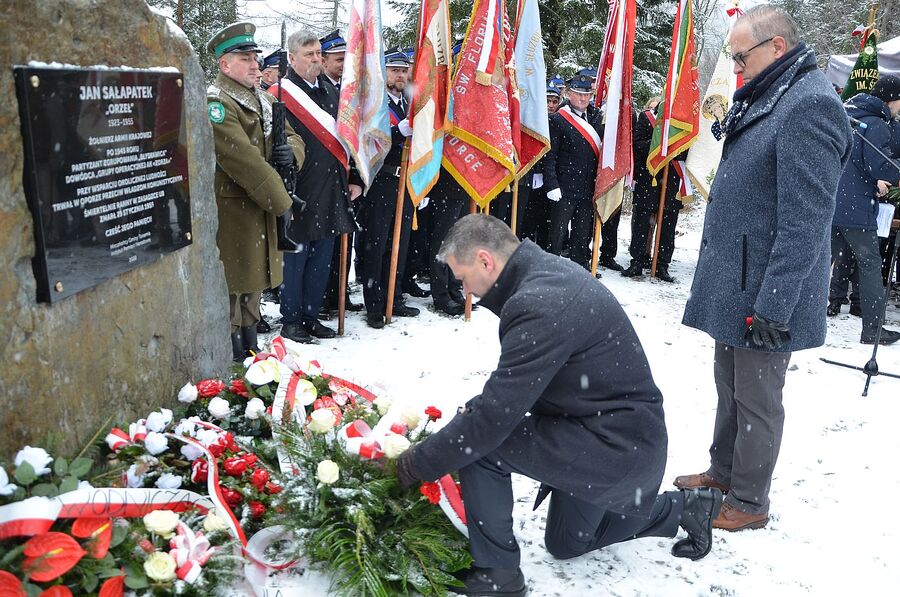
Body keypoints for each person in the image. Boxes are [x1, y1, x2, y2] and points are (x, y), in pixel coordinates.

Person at [394, 215, 722, 595]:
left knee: (481, 447)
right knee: (567, 543)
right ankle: (683, 508)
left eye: (462, 277)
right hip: (605, 430)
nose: (463, 289)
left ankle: (498, 574)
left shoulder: (539, 303)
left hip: (615, 443)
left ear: (485, 260)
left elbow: (491, 420)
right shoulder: (542, 275)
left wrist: (413, 465)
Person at [677, 6, 853, 531]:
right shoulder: (772, 92)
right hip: (740, 277)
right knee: (729, 386)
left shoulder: (809, 104)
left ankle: (750, 501)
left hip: (767, 287)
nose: (735, 67)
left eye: (741, 56)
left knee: (757, 397)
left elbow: (806, 221)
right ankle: (723, 472)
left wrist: (775, 305)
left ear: (777, 46)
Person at [205, 22, 305, 360]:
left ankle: (250, 353)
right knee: (234, 285)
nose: (255, 65)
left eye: (255, 58)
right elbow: (243, 160)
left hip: (261, 205)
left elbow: (294, 137)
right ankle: (233, 358)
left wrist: (291, 153)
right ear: (225, 64)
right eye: (245, 58)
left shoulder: (263, 98)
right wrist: (283, 203)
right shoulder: (217, 103)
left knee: (253, 286)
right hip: (235, 209)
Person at [278, 29, 360, 343]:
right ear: (292, 58)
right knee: (295, 261)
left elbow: (347, 141)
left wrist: (354, 178)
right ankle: (292, 320)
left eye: (317, 54)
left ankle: (311, 317)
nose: (315, 59)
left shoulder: (331, 91)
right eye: (308, 54)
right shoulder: (280, 93)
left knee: (321, 260)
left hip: (332, 189)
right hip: (299, 190)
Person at [828, 74, 900, 345]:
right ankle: (872, 329)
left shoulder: (847, 114)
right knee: (870, 265)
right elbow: (880, 165)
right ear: (892, 100)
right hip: (856, 208)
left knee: (821, 261)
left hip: (832, 201)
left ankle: (794, 317)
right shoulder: (876, 124)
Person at [357, 48, 420, 329]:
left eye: (404, 71)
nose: (400, 75)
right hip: (381, 180)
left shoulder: (409, 104)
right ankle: (374, 304)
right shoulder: (375, 103)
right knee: (377, 243)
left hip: (405, 180)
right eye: (394, 70)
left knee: (400, 242)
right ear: (384, 73)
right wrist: (397, 133)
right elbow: (369, 141)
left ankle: (393, 297)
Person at [543, 74, 622, 272]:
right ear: (569, 94)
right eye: (578, 94)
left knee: (582, 235)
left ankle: (579, 271)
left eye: (587, 95)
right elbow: (550, 156)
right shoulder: (558, 119)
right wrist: (552, 184)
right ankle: (550, 271)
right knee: (557, 234)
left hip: (587, 188)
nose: (583, 98)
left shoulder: (597, 117)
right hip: (564, 188)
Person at [622, 97, 683, 282]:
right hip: (649, 179)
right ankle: (637, 262)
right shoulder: (645, 118)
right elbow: (638, 144)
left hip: (671, 181)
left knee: (667, 226)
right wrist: (658, 144)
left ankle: (662, 265)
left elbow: (686, 151)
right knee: (641, 223)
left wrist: (672, 145)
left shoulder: (681, 124)